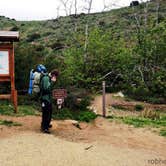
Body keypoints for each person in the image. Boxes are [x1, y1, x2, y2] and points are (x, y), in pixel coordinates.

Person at [40, 68, 59, 134]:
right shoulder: (46, 78)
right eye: (55, 76)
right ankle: (44, 128)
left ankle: (47, 124)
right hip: (45, 98)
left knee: (49, 112)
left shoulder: (48, 78)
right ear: (53, 75)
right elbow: (46, 89)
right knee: (46, 113)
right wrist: (53, 82)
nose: (55, 78)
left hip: (48, 99)